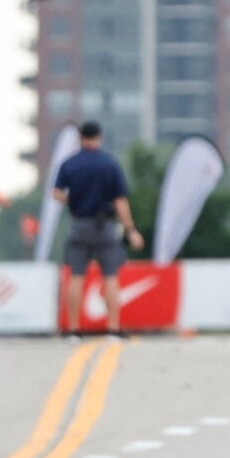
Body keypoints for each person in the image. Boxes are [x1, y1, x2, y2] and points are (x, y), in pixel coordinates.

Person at [52, 121, 145, 336]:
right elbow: (120, 201)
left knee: (76, 276)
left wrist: (73, 200)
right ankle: (113, 327)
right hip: (105, 226)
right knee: (110, 276)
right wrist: (131, 230)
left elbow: (56, 193)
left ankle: (73, 329)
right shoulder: (109, 164)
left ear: (80, 138)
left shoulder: (70, 164)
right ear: (99, 137)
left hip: (79, 224)